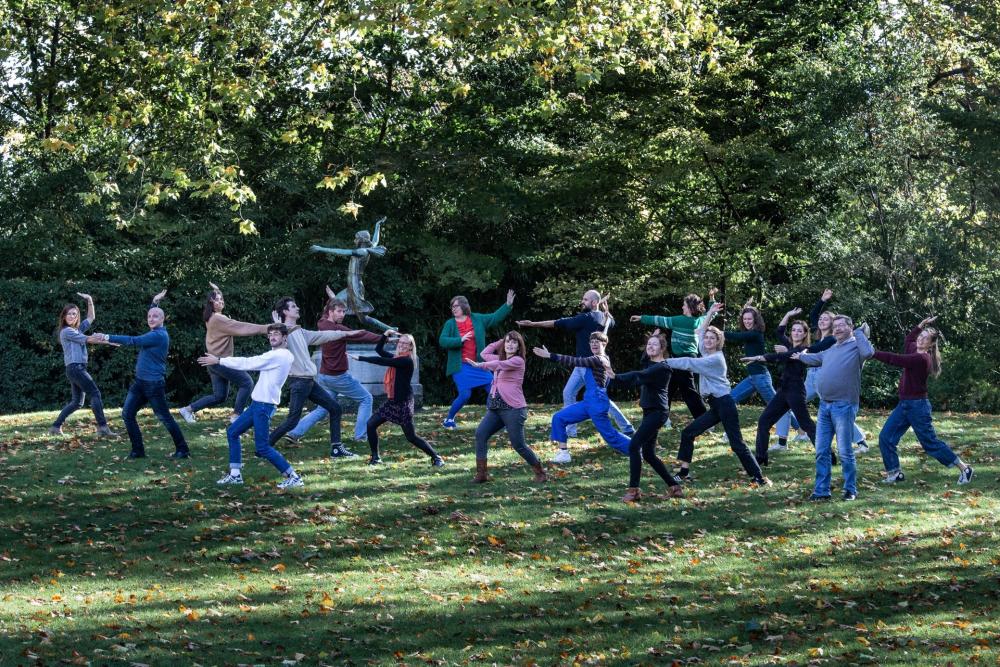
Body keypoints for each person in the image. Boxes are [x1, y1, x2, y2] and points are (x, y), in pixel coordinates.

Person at [661, 302, 770, 487]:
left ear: (718, 342)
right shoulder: (706, 352)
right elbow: (702, 331)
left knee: (737, 444)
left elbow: (689, 362)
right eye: (707, 338)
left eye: (713, 338)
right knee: (688, 433)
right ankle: (684, 472)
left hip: (725, 404)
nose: (708, 340)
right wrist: (711, 312)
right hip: (716, 405)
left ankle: (759, 477)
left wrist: (665, 361)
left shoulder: (715, 359)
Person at [199, 323, 305, 489]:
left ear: (285, 338)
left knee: (262, 447)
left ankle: (293, 476)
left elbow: (249, 363)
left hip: (264, 406)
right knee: (233, 432)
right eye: (270, 334)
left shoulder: (280, 356)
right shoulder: (277, 354)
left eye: (276, 334)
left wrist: (219, 360)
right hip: (257, 405)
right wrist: (279, 322)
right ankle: (235, 475)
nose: (272, 337)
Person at [281, 288, 392, 445]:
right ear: (332, 312)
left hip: (325, 376)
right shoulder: (338, 329)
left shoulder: (322, 323)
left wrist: (332, 300)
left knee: (323, 409)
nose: (342, 315)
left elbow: (327, 312)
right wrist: (384, 339)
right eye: (339, 311)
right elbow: (361, 335)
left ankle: (294, 433)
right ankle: (360, 436)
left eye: (344, 312)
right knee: (366, 399)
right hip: (338, 376)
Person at [871, 316, 973, 485]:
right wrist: (920, 326)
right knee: (886, 437)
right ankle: (894, 473)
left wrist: (873, 353)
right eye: (921, 336)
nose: (920, 338)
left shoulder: (921, 358)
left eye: (925, 338)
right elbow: (909, 339)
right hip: (904, 404)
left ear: (931, 345)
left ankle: (965, 468)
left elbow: (895, 359)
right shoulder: (914, 350)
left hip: (918, 406)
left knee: (930, 443)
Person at [516, 289, 633, 437]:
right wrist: (605, 310)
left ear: (594, 302)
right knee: (570, 392)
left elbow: (558, 323)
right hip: (585, 365)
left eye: (585, 299)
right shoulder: (605, 318)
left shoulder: (586, 318)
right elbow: (612, 321)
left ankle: (627, 428)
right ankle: (571, 430)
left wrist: (532, 324)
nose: (582, 302)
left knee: (601, 399)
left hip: (590, 367)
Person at [91, 290, 190, 459]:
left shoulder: (159, 335)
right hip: (140, 383)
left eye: (155, 316)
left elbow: (133, 341)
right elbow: (154, 313)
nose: (151, 318)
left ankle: (183, 450)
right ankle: (138, 451)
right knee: (127, 414)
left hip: (153, 385)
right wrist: (154, 302)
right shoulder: (154, 332)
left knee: (164, 417)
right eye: (149, 316)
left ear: (163, 320)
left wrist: (106, 336)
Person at [772, 288, 868, 453]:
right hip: (812, 375)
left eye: (826, 319)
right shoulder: (820, 336)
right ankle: (782, 442)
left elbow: (814, 350)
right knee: (785, 403)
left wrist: (788, 352)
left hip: (827, 377)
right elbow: (813, 316)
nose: (822, 321)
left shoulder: (831, 339)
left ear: (832, 324)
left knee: (838, 411)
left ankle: (861, 442)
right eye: (821, 319)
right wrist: (822, 300)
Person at [268, 297, 364, 458]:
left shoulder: (299, 331)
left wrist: (346, 333)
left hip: (309, 382)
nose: (297, 308)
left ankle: (336, 449)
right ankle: (264, 446)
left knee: (335, 408)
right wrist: (278, 327)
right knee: (292, 420)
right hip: (299, 382)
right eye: (293, 306)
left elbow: (324, 335)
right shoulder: (281, 332)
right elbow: (276, 349)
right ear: (285, 312)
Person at [793, 315, 874, 501]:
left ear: (850, 328)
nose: (836, 329)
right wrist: (801, 356)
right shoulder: (831, 349)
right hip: (825, 406)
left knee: (845, 451)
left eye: (841, 326)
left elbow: (869, 353)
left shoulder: (856, 347)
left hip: (844, 406)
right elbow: (816, 358)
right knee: (822, 451)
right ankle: (822, 491)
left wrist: (860, 333)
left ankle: (850, 489)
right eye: (834, 326)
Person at [740, 307, 827, 467]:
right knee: (764, 421)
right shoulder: (789, 344)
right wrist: (787, 314)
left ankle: (828, 456)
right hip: (783, 391)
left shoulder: (803, 350)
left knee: (807, 425)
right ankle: (760, 458)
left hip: (795, 391)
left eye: (799, 331)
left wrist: (759, 357)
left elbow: (782, 356)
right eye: (793, 330)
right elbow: (780, 332)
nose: (795, 333)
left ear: (805, 334)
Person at [606, 331, 683, 502]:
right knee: (648, 454)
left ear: (662, 348)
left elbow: (639, 375)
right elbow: (643, 362)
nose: (650, 347)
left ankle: (634, 491)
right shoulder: (651, 365)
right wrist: (651, 339)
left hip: (658, 413)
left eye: (655, 344)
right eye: (649, 344)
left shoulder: (662, 368)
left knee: (634, 446)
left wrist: (615, 377)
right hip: (650, 412)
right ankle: (674, 487)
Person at [179, 283, 271, 424]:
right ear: (211, 302)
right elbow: (242, 327)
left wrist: (217, 291)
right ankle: (236, 416)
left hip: (214, 361)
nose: (221, 301)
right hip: (219, 361)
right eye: (217, 300)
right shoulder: (218, 318)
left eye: (222, 299)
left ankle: (188, 409)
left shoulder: (210, 317)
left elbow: (217, 303)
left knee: (220, 396)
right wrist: (268, 328)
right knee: (247, 382)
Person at [533, 332, 631, 463]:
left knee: (609, 435)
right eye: (592, 342)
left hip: (598, 402)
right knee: (559, 417)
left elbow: (576, 361)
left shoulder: (600, 359)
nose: (594, 344)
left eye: (598, 341)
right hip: (588, 402)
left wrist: (550, 355)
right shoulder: (595, 358)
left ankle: (637, 448)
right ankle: (563, 453)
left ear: (604, 344)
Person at [464, 332, 546, 483]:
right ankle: (481, 474)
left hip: (513, 409)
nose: (510, 345)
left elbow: (499, 365)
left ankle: (540, 472)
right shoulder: (500, 356)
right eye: (508, 342)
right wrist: (502, 340)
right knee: (480, 434)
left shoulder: (518, 360)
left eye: (514, 343)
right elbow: (484, 352)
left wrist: (480, 365)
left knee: (518, 445)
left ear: (519, 346)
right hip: (496, 408)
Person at [351, 334, 444, 466]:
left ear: (411, 347)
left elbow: (382, 360)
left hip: (403, 403)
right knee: (371, 424)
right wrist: (385, 335)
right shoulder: (397, 357)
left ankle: (436, 457)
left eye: (405, 343)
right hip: (393, 401)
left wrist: (361, 358)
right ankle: (376, 458)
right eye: (400, 342)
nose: (401, 345)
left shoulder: (406, 361)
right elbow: (379, 351)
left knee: (411, 437)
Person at [630, 287, 718, 426]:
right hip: (678, 358)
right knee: (669, 387)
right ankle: (664, 418)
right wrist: (712, 298)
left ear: (689, 307)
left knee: (688, 391)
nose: (682, 306)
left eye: (684, 304)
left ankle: (703, 421)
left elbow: (659, 320)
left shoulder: (679, 320)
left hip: (685, 359)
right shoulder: (700, 320)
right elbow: (712, 314)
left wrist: (641, 318)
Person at [438, 290, 514, 428]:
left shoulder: (477, 319)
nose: (453, 309)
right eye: (452, 307)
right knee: (465, 394)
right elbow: (442, 341)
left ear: (464, 306)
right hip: (460, 366)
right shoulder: (450, 323)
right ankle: (449, 419)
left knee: (493, 388)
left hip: (478, 364)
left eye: (456, 306)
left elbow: (495, 317)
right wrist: (459, 339)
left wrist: (507, 304)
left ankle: (496, 420)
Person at [49, 293, 116, 437]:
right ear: (64, 317)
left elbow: (91, 318)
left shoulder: (77, 329)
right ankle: (103, 427)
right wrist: (109, 341)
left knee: (77, 402)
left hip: (75, 369)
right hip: (75, 368)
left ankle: (55, 427)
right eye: (69, 314)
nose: (72, 316)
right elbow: (89, 339)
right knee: (95, 394)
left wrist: (90, 299)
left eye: (75, 314)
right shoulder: (66, 331)